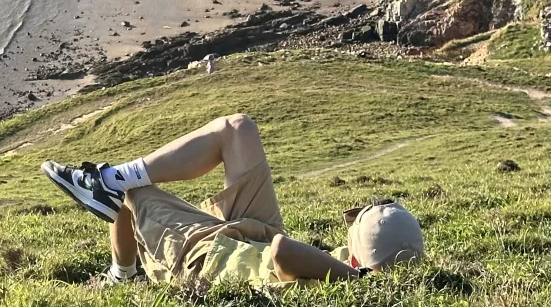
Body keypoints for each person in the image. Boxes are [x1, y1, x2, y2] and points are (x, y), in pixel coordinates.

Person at [42, 112, 424, 288]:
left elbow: (281, 251)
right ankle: (106, 179)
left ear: (360, 264)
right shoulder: (371, 265)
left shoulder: (351, 281)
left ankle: (121, 276)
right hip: (251, 233)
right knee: (238, 129)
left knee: (131, 194)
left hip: (210, 259)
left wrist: (355, 280)